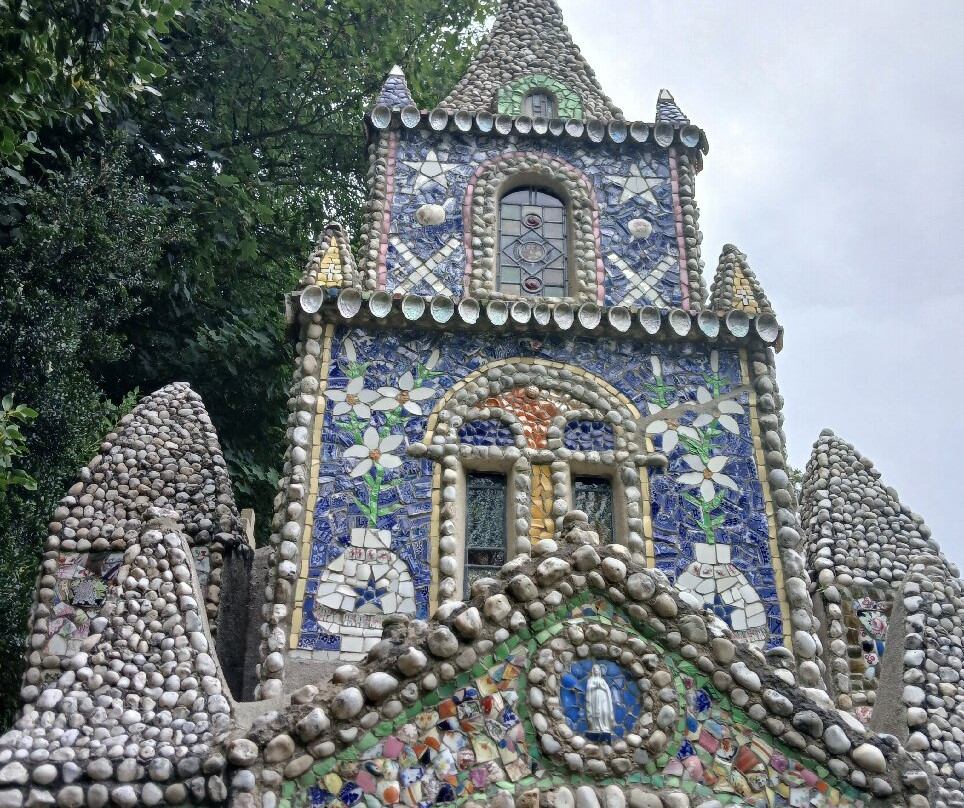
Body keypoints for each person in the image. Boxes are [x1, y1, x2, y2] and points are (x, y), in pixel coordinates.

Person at [586, 664, 616, 736]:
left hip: (603, 698)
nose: (596, 670)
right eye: (595, 669)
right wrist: (596, 686)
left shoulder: (602, 680)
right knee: (597, 711)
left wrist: (602, 687)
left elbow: (607, 690)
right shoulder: (591, 680)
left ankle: (606, 726)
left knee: (605, 711)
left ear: (600, 670)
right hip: (595, 698)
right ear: (593, 670)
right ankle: (596, 727)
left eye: (598, 669)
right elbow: (589, 689)